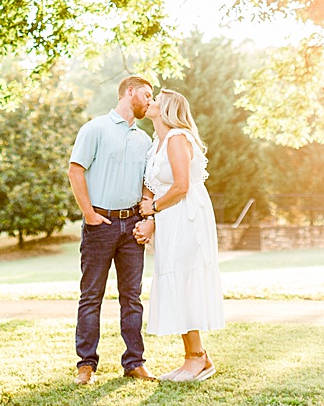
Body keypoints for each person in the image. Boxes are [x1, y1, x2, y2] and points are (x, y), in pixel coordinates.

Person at [67, 75, 156, 382]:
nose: (149, 101)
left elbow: (149, 185)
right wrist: (89, 214)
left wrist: (148, 217)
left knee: (132, 297)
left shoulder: (145, 140)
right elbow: (75, 170)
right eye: (146, 94)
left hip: (132, 226)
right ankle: (86, 363)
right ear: (129, 92)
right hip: (100, 224)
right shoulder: (95, 129)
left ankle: (134, 362)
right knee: (91, 295)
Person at [133, 88, 226, 381]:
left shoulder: (176, 138)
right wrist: (150, 215)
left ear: (167, 109)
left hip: (187, 218)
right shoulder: (156, 142)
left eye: (155, 100)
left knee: (184, 280)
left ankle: (197, 358)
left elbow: (181, 186)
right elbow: (151, 183)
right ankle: (195, 357)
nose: (150, 103)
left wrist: (152, 209)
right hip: (170, 218)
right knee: (175, 279)